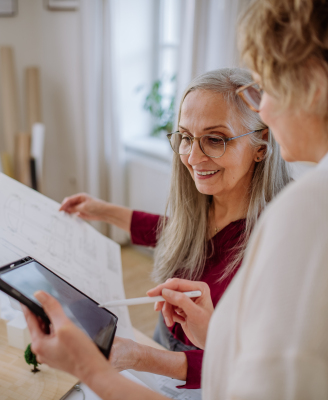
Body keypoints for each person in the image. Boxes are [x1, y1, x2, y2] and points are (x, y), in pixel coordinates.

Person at [24, 0, 328, 398]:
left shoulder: (310, 213)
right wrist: (218, 336)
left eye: (270, 87)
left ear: (314, 82)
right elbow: (174, 231)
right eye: (186, 138)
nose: (268, 111)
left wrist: (94, 368)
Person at [59, 68, 290, 388]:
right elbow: (175, 231)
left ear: (261, 145)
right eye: (185, 137)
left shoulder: (277, 242)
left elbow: (244, 365)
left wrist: (138, 356)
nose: (193, 157)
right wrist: (103, 211)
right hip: (162, 342)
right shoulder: (208, 203)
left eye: (214, 139)